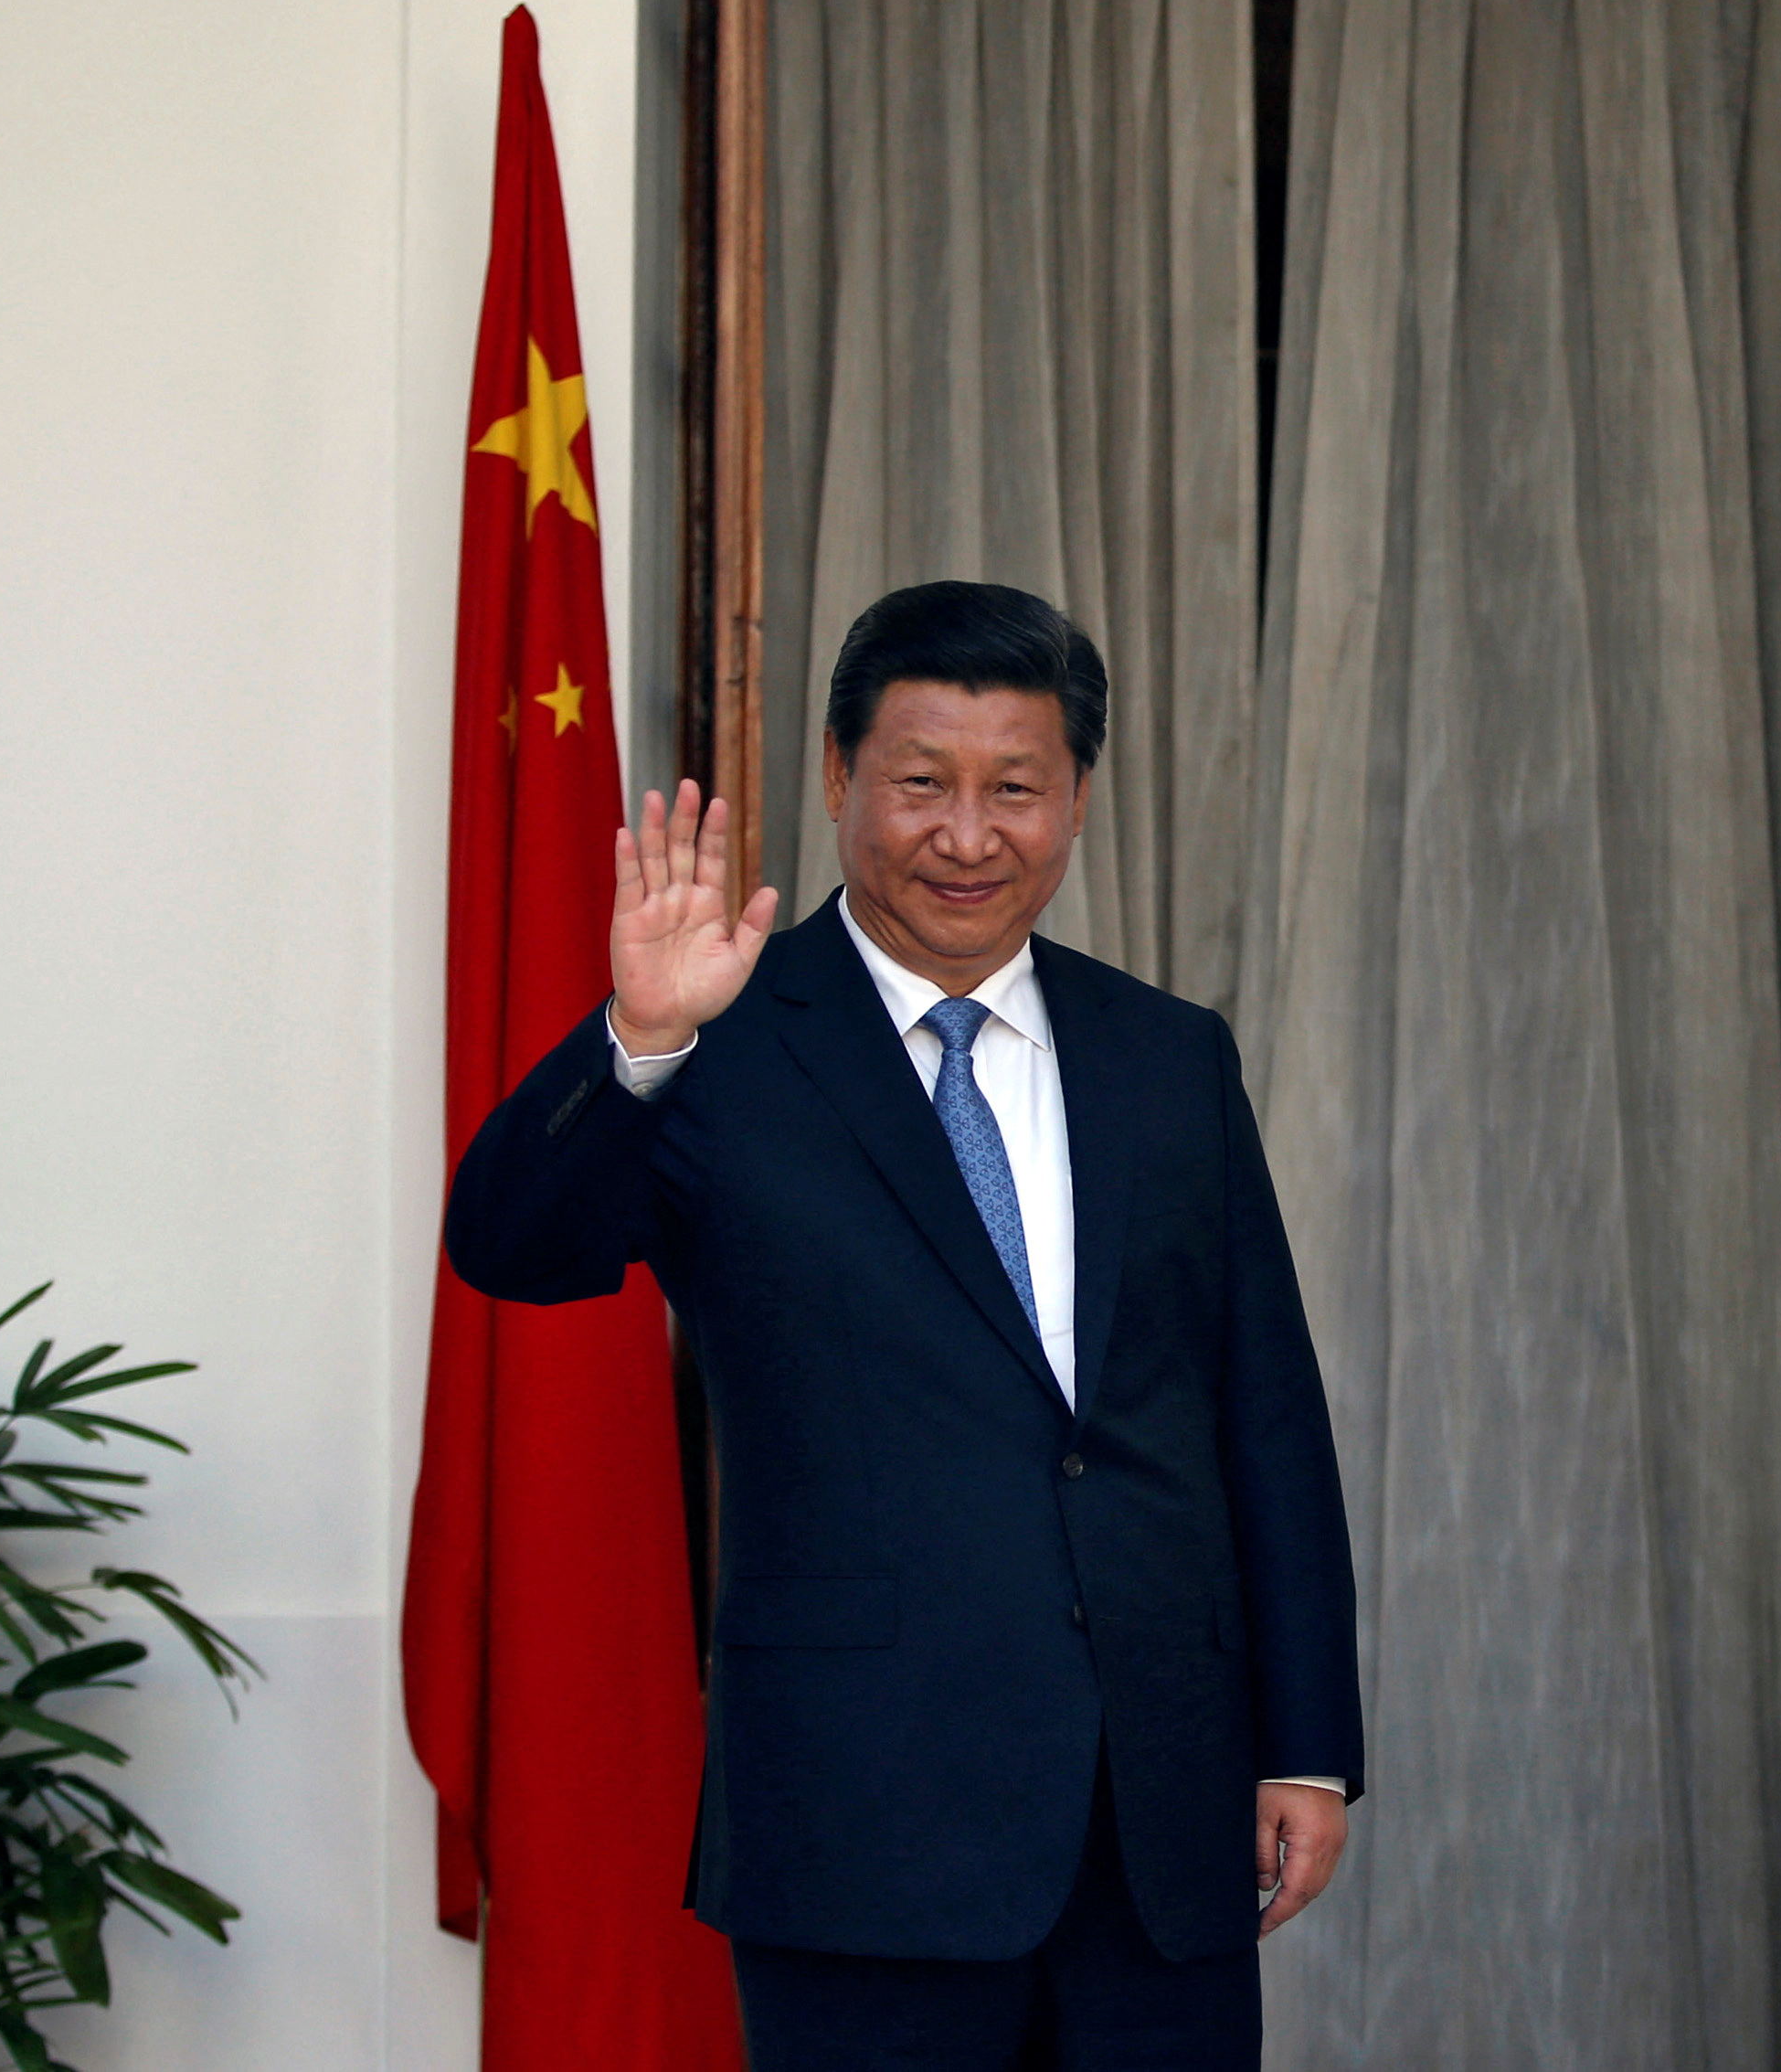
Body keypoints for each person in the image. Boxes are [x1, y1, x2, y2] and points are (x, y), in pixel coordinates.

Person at [446, 581, 1362, 2070]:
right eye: (922, 782)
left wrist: (1306, 1741)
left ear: (1078, 798)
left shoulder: (1169, 1056)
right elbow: (510, 1245)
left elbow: (1264, 1413)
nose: (968, 835)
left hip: (1160, 1813)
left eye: (1017, 789)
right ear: (838, 773)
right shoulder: (725, 1037)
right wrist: (642, 1038)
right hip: (862, 1823)